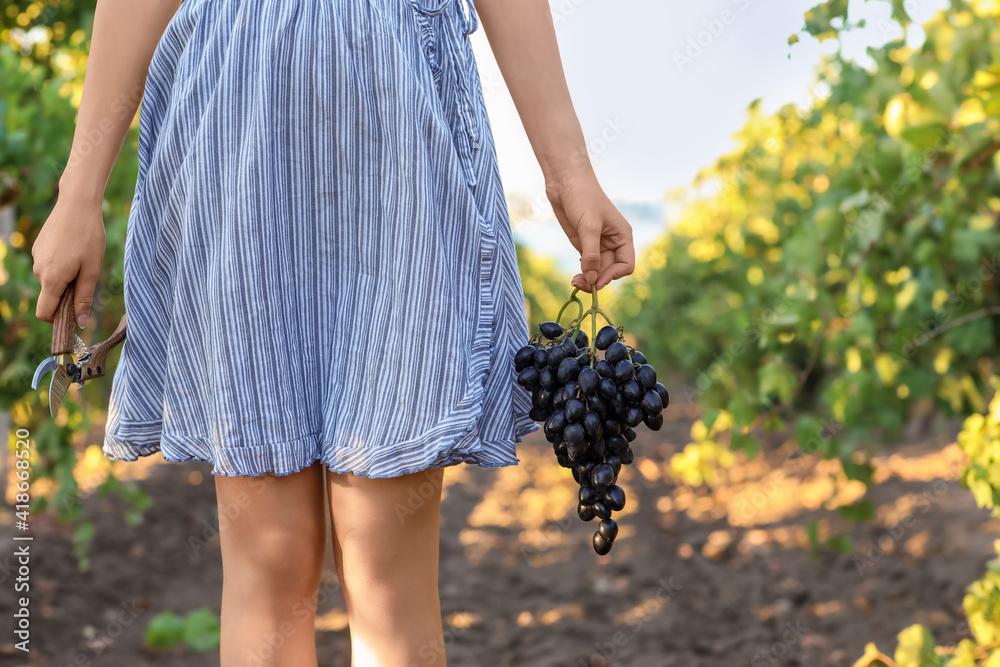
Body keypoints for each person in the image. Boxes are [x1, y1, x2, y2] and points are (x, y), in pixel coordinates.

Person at [30, 0, 635, 663]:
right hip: (241, 113)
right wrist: (79, 192)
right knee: (271, 557)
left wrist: (569, 170)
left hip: (393, 113)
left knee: (385, 569)